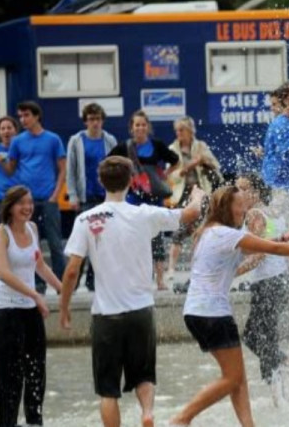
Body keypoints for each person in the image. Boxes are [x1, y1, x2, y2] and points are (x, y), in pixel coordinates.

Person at [59, 156, 204, 427]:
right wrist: (197, 194)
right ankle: (147, 413)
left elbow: (71, 271)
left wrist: (65, 308)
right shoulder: (144, 214)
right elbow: (191, 214)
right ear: (131, 182)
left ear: (101, 181)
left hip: (106, 315)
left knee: (108, 390)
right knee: (144, 376)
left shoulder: (85, 220)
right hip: (140, 310)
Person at [168, 186, 289, 427]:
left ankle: (248, 425)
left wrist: (284, 237)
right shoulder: (226, 235)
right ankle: (181, 419)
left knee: (236, 377)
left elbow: (261, 247)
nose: (246, 209)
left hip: (197, 312)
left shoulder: (210, 233)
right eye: (241, 204)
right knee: (232, 379)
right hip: (213, 313)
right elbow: (274, 250)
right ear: (227, 208)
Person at [0, 186, 62, 427]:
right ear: (10, 207)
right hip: (7, 311)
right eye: (21, 203)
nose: (27, 207)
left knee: (36, 374)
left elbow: (40, 265)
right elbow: (3, 273)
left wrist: (63, 290)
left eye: (30, 202)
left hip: (31, 312)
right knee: (10, 379)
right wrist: (37, 295)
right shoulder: (1, 233)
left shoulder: (32, 228)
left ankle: (35, 422)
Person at [236, 172, 289, 399]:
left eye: (243, 189)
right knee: (267, 336)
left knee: (253, 337)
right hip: (280, 281)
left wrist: (232, 274)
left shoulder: (254, 214)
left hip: (267, 283)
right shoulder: (275, 212)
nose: (238, 194)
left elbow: (260, 251)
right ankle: (278, 390)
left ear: (254, 192)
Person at [108, 110, 180, 290]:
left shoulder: (157, 145)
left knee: (157, 237)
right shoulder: (125, 147)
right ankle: (134, 279)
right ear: (131, 128)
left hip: (154, 198)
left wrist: (164, 176)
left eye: (143, 124)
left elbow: (175, 160)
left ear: (147, 127)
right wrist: (126, 179)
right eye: (136, 125)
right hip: (133, 198)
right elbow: (109, 162)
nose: (140, 128)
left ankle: (160, 280)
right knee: (132, 237)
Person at [0, 101, 67, 286]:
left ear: (37, 116)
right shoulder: (18, 141)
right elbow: (11, 170)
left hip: (48, 198)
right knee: (30, 244)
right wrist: (1, 161)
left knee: (55, 243)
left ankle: (63, 285)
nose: (23, 119)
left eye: (26, 115)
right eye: (20, 116)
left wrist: (55, 195)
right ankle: (37, 284)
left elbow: (62, 168)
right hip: (26, 201)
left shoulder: (53, 139)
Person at [65, 102, 118, 292]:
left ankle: (93, 282)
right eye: (91, 119)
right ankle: (72, 282)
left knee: (102, 242)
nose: (94, 123)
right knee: (82, 241)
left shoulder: (110, 140)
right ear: (86, 121)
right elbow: (70, 169)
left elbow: (116, 167)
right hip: (84, 198)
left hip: (105, 197)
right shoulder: (76, 140)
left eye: (98, 119)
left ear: (102, 120)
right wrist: (72, 195)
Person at [168, 115, 221, 282]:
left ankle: (196, 268)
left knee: (199, 232)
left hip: (200, 192)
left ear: (190, 131)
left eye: (182, 130)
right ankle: (171, 269)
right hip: (181, 195)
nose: (179, 133)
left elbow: (216, 166)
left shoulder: (200, 146)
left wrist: (203, 161)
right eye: (177, 130)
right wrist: (189, 166)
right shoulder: (172, 149)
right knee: (179, 232)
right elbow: (170, 176)